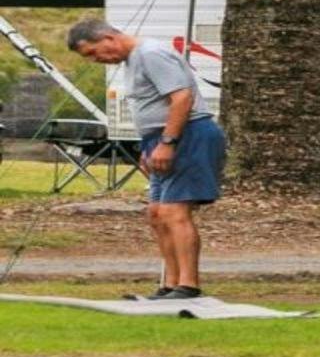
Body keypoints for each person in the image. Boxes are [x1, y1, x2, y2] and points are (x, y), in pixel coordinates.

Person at [67, 18, 228, 300]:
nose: (97, 60)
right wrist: (150, 146)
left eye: (93, 53)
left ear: (107, 38)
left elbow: (182, 98)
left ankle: (189, 285)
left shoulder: (151, 54)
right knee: (156, 215)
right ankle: (171, 284)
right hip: (161, 138)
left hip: (188, 135)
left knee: (173, 212)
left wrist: (167, 143)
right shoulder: (133, 61)